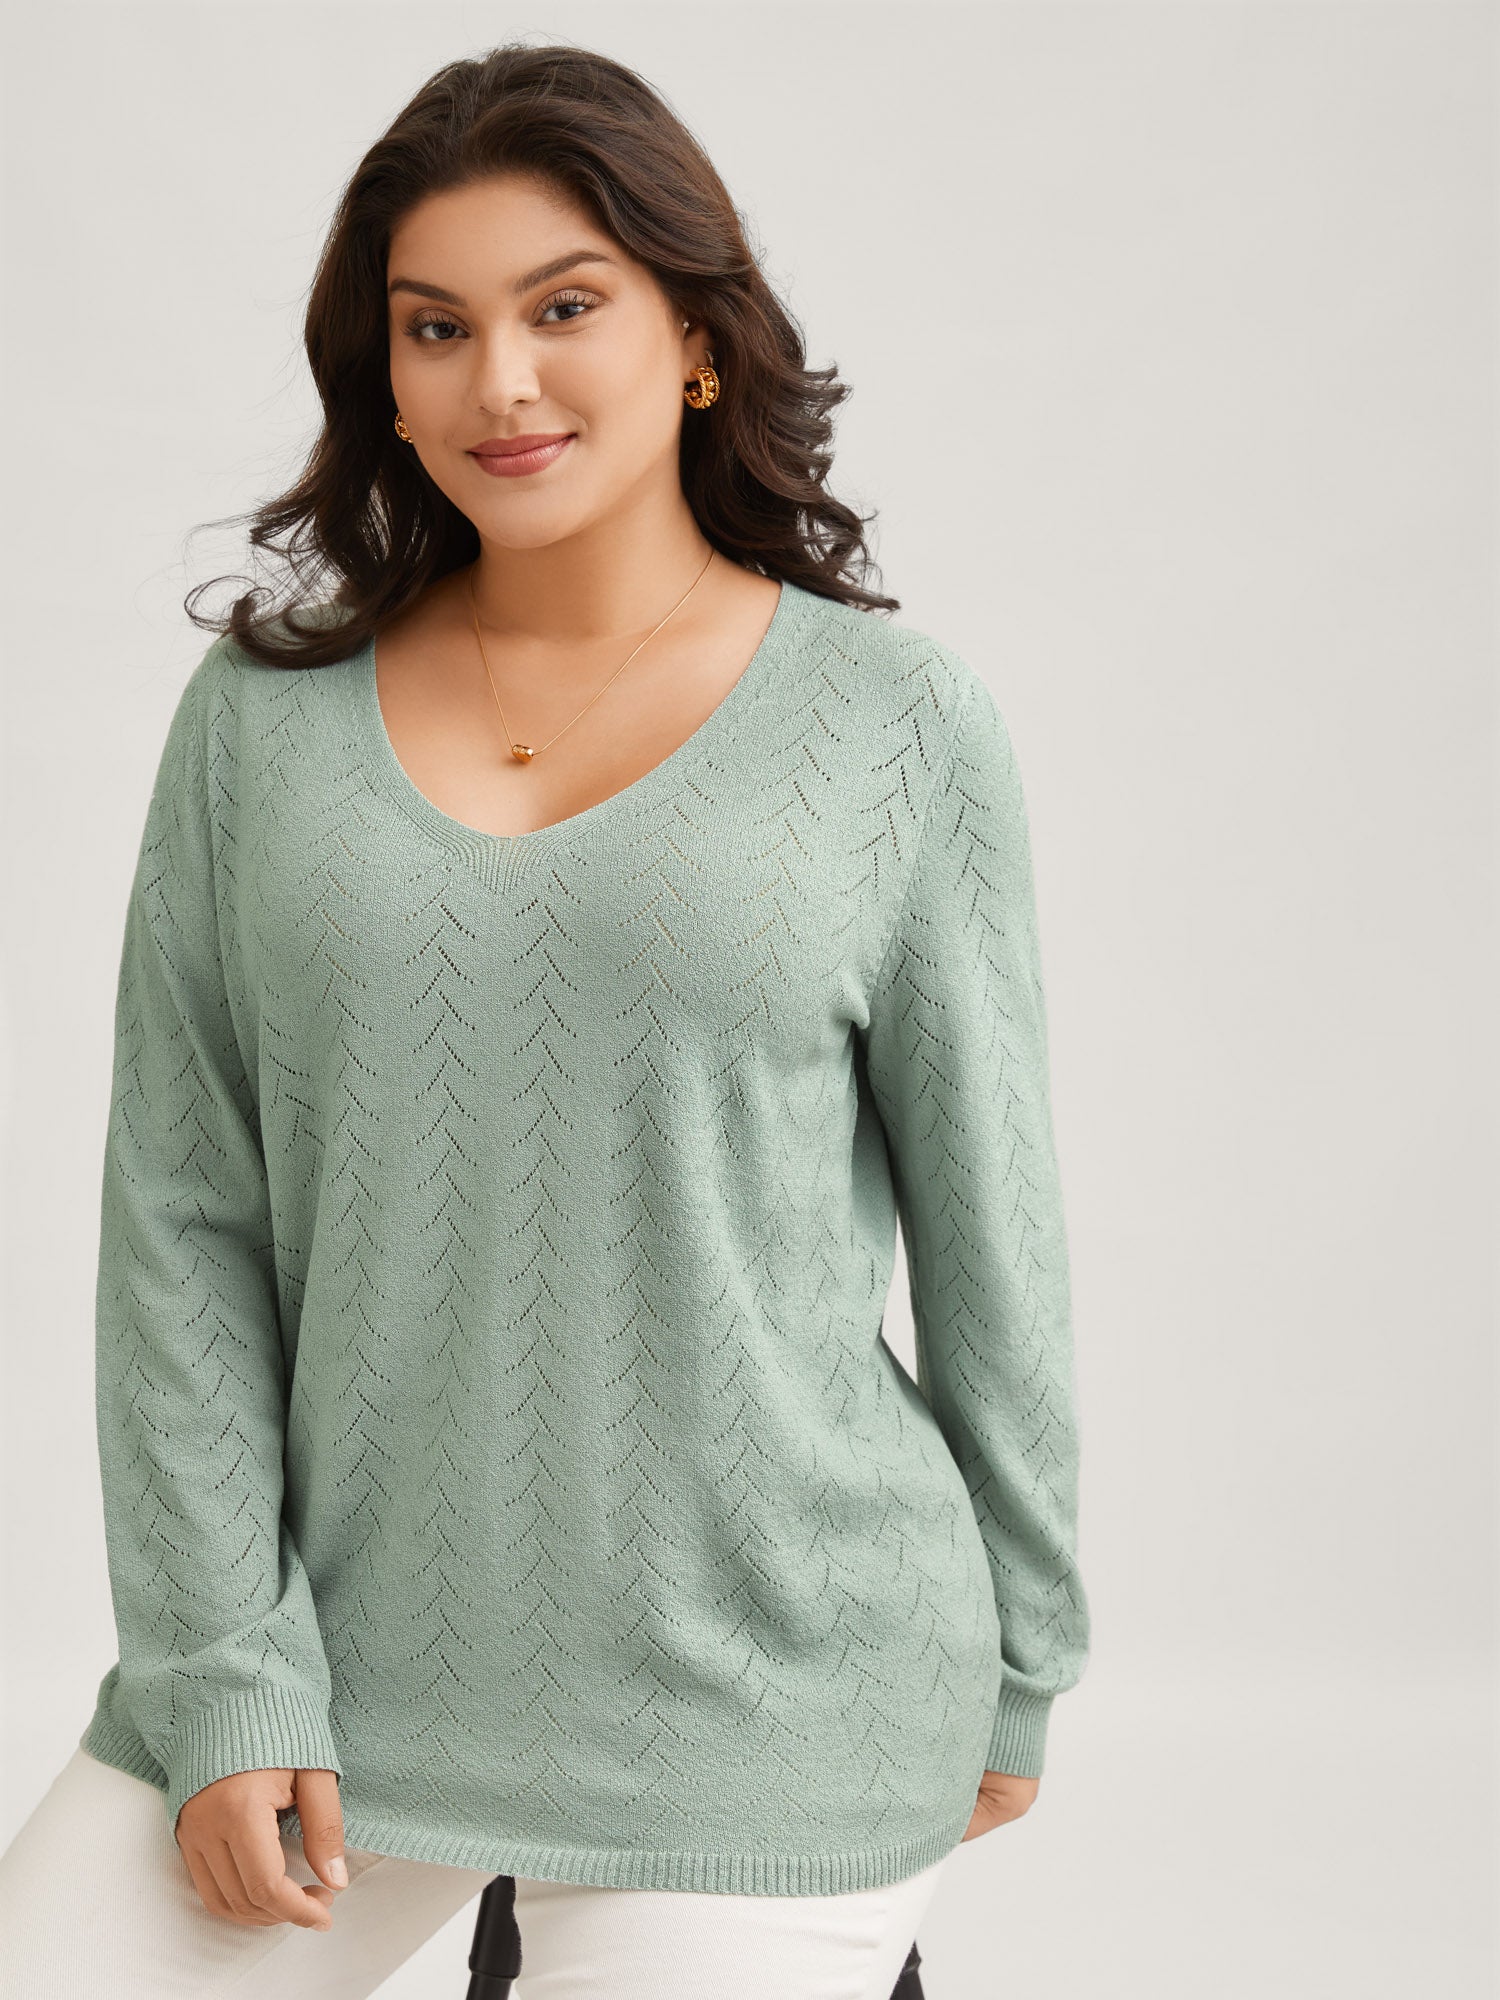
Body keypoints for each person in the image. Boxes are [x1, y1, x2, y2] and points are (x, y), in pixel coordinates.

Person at [0, 40, 1091, 2000]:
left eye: (563, 308)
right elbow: (178, 1222)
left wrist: (1024, 1650)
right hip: (332, 1660)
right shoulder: (258, 725)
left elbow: (990, 1223)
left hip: (767, 1687)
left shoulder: (895, 730)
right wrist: (223, 1671)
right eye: (437, 328)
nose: (497, 382)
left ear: (697, 340)